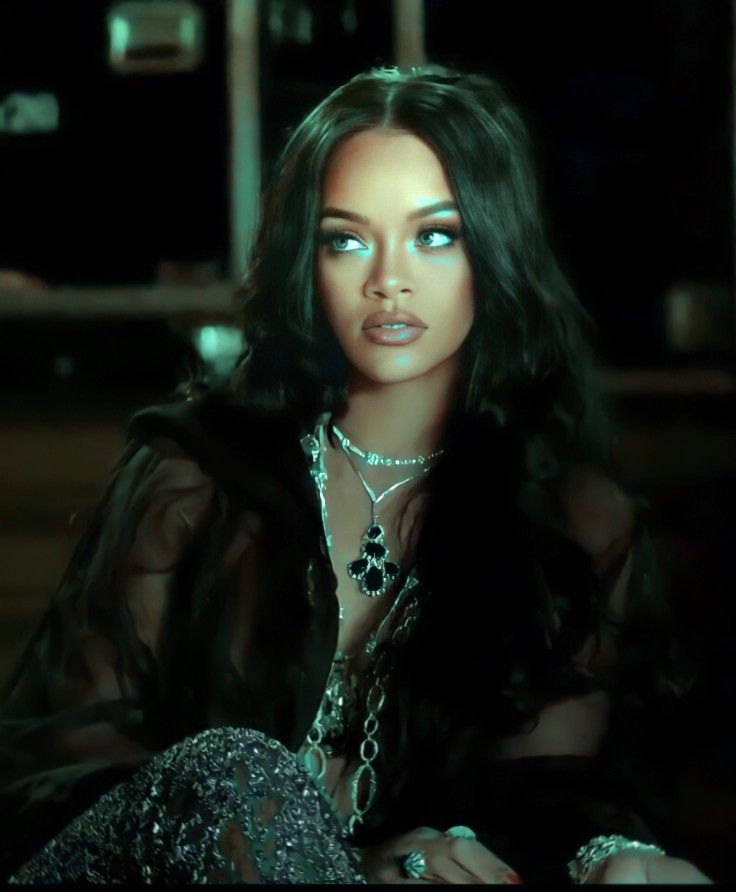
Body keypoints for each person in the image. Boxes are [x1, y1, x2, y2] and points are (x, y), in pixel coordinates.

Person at [0, 65, 713, 884]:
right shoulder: (194, 475)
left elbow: (543, 791)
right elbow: (64, 757)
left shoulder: (571, 523)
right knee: (236, 773)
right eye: (346, 238)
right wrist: (283, 839)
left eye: (435, 234)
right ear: (308, 260)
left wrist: (606, 856)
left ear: (496, 246)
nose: (388, 278)